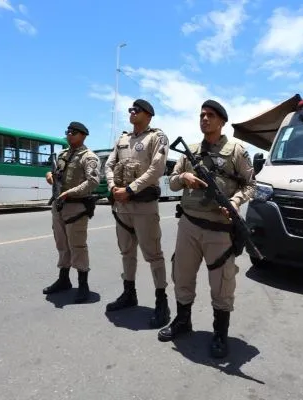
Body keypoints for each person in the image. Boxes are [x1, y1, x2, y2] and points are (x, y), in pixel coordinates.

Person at [157, 99, 256, 358]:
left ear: (222, 121)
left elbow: (251, 185)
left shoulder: (236, 150)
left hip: (220, 228)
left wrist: (234, 201)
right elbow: (173, 182)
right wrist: (183, 177)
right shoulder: (188, 150)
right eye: (201, 115)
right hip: (189, 225)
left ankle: (220, 334)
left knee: (222, 284)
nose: (204, 119)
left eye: (210, 115)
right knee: (182, 275)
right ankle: (182, 321)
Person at [104, 99, 171, 329]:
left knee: (153, 254)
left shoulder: (157, 137)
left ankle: (162, 302)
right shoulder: (122, 139)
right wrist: (114, 187)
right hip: (121, 205)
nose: (131, 112)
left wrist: (130, 189)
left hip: (143, 205)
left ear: (149, 115)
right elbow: (109, 166)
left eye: (136, 110)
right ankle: (129, 293)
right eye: (130, 110)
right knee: (126, 252)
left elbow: (157, 169)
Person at [42, 121, 100, 304]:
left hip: (76, 207)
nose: (69, 135)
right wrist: (49, 176)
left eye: (73, 132)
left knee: (78, 246)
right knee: (62, 244)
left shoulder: (89, 157)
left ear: (83, 135)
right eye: (68, 132)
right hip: (59, 206)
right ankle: (64, 279)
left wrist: (71, 192)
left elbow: (93, 181)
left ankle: (83, 285)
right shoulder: (62, 154)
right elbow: (56, 173)